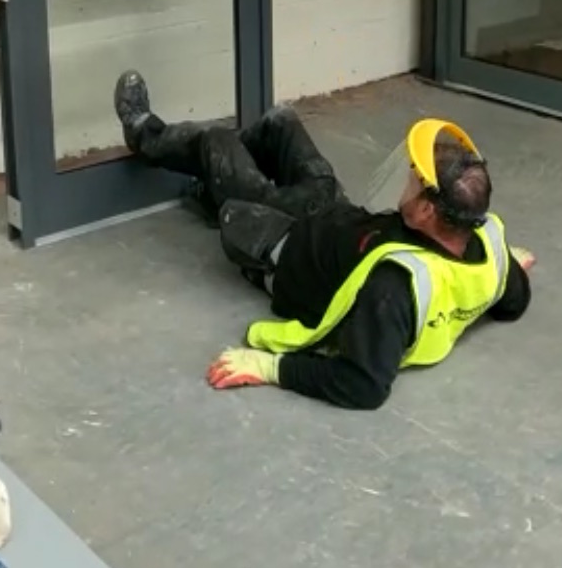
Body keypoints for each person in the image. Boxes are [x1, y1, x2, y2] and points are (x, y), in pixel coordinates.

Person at [114, 72, 534, 411]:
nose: (406, 177)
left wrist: (271, 368)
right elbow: (513, 300)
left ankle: (144, 133)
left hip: (283, 247)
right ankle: (212, 184)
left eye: (412, 179)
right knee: (280, 123)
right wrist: (498, 271)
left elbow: (364, 385)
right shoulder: (485, 247)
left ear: (426, 211)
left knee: (216, 144)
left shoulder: (392, 289)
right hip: (336, 211)